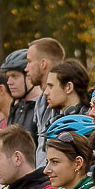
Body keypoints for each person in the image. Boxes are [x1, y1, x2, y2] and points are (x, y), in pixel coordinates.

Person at [26, 37, 66, 165]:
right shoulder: (40, 101)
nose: (26, 68)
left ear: (43, 63)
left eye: (29, 62)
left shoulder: (64, 99)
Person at [2, 48, 38, 137]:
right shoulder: (16, 109)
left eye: (14, 76)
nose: (9, 82)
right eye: (8, 77)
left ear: (29, 75)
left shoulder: (44, 109)